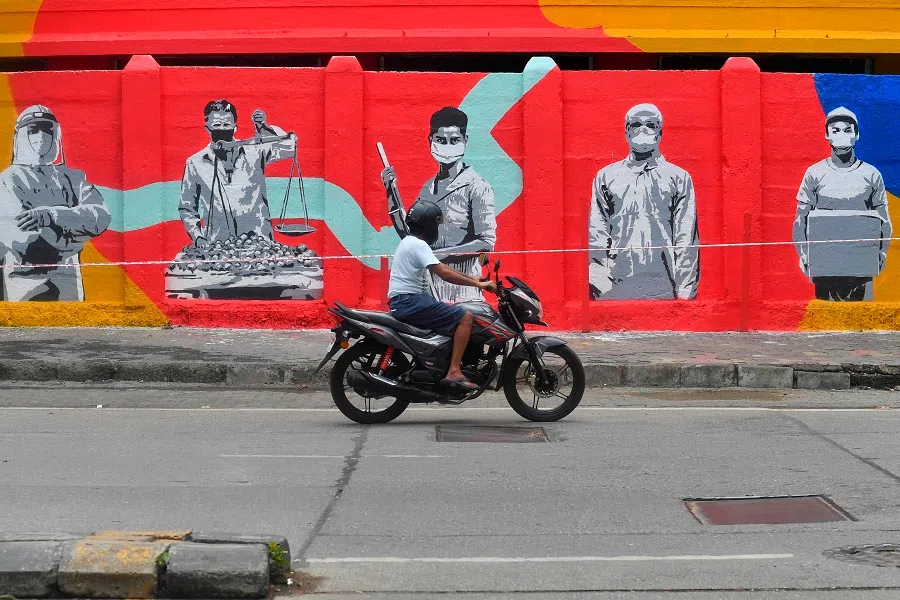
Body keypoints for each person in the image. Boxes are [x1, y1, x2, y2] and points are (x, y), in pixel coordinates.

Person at [382, 106, 497, 303]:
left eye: (454, 140)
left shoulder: (477, 187)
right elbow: (410, 234)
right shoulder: (428, 188)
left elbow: (486, 242)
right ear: (431, 141)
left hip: (463, 289)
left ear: (465, 141)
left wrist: (434, 255)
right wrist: (391, 191)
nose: (447, 146)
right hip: (428, 288)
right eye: (441, 140)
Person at [588, 103, 699, 300]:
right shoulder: (606, 177)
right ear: (626, 131)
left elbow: (686, 239)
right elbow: (597, 235)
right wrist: (598, 285)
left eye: (650, 124)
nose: (643, 129)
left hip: (665, 286)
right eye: (636, 124)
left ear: (660, 132)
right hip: (614, 287)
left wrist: (685, 293)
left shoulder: (678, 178)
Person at [0, 105, 111, 301]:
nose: (41, 136)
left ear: (56, 134)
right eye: (33, 130)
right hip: (23, 282)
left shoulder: (72, 179)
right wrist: (73, 233)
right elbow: (22, 239)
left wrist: (52, 216)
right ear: (21, 136)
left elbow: (100, 216)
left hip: (68, 280)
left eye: (47, 129)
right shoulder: (8, 180)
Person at [388, 200, 496, 391]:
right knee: (466, 318)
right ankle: (454, 371)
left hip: (407, 301)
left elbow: (442, 267)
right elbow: (444, 273)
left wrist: (473, 278)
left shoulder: (409, 242)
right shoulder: (418, 245)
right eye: (436, 224)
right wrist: (478, 284)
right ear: (428, 224)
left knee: (452, 312)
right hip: (410, 301)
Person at [793, 106, 891, 301]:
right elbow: (800, 219)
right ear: (827, 135)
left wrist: (882, 253)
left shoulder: (871, 174)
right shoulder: (814, 173)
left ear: (856, 135)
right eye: (835, 130)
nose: (841, 135)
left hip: (862, 267)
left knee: (864, 317)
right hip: (823, 266)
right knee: (824, 316)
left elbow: (884, 221)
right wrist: (803, 254)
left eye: (847, 130)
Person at [179, 100, 296, 247]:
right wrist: (198, 237)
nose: (222, 129)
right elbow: (187, 207)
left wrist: (264, 127)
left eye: (227, 125)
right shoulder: (195, 163)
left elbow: (290, 147)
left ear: (235, 128)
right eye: (217, 125)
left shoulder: (255, 151)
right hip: (218, 246)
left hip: (260, 244)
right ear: (207, 129)